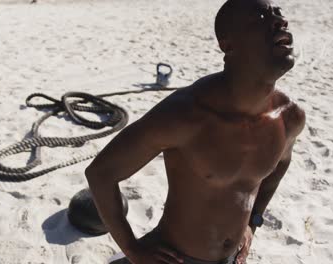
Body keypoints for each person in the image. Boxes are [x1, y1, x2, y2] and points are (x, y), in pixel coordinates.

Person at [85, 0, 306, 263]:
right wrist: (134, 251)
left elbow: (280, 165)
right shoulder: (186, 115)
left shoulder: (289, 118)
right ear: (228, 44)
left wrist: (253, 222)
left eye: (279, 13)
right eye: (262, 16)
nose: (281, 21)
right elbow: (100, 174)